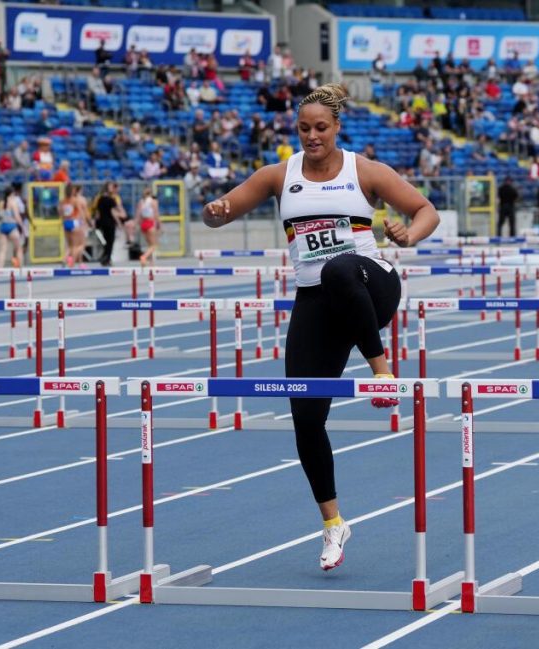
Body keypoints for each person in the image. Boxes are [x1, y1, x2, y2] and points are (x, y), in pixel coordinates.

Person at [201, 83, 440, 571]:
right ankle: (334, 524)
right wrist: (215, 212)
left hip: (372, 287)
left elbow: (425, 211)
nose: (312, 136)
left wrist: (408, 234)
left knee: (340, 266)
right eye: (304, 129)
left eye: (321, 128)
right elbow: (222, 214)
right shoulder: (278, 174)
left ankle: (382, 373)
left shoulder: (364, 170)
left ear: (337, 128)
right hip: (317, 301)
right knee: (306, 418)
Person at [92, 182, 124, 266]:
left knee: (106, 241)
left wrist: (96, 222)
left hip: (102, 222)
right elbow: (113, 212)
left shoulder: (100, 199)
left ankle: (105, 257)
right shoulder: (111, 200)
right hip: (110, 222)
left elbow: (97, 213)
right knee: (110, 241)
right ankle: (107, 258)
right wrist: (119, 223)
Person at [0, 185, 24, 268]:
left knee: (2, 250)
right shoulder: (13, 203)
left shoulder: (0, 203)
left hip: (3, 226)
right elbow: (17, 216)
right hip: (12, 226)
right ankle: (20, 267)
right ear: (12, 194)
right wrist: (22, 226)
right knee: (19, 248)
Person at [61, 184, 87, 268]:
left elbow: (60, 212)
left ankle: (65, 258)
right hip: (74, 222)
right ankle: (71, 263)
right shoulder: (75, 200)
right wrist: (84, 222)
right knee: (79, 245)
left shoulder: (63, 201)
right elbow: (81, 212)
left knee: (70, 245)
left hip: (66, 222)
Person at [135, 186, 161, 267]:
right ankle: (144, 257)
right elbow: (156, 214)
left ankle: (151, 263)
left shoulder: (141, 202)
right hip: (150, 223)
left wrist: (137, 225)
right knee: (154, 245)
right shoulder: (153, 201)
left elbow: (138, 215)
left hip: (143, 223)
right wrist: (159, 224)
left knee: (150, 245)